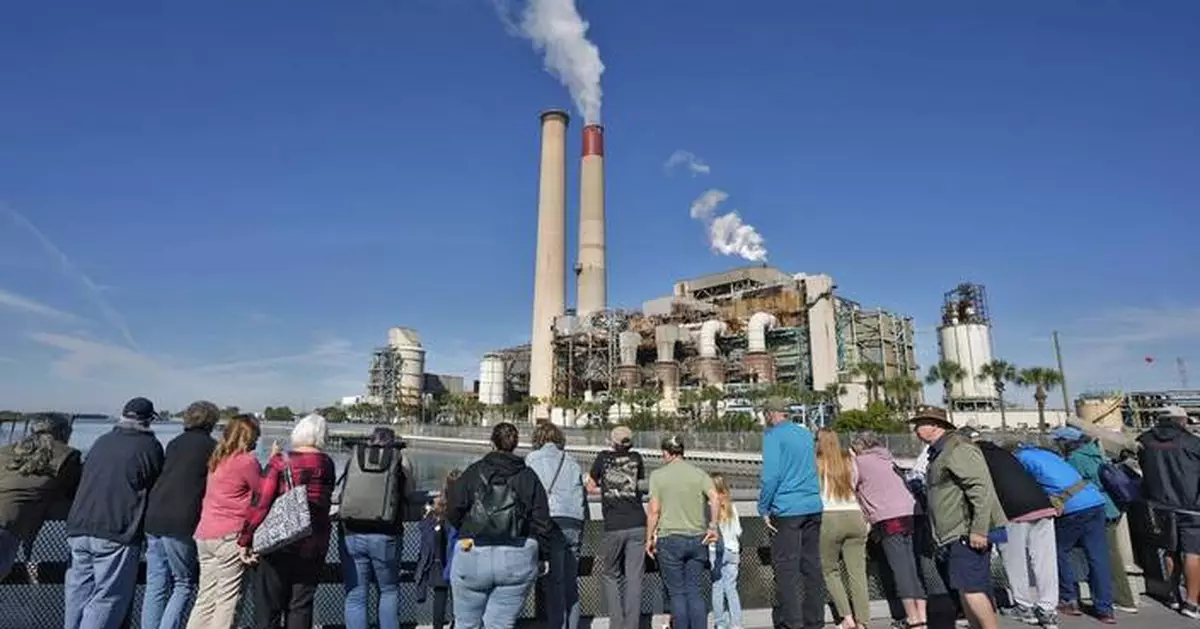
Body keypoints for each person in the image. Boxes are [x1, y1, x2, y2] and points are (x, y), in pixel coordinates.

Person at [63, 397, 165, 629]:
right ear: (149, 420)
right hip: (116, 529)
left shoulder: (102, 441)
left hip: (78, 527)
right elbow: (156, 484)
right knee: (107, 598)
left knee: (77, 592)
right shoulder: (150, 446)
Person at [447, 422, 553, 629]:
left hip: (473, 552)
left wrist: (468, 529)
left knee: (466, 623)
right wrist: (543, 556)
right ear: (515, 444)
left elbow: (454, 509)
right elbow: (542, 521)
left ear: (491, 443)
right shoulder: (528, 476)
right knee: (501, 624)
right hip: (518, 554)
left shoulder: (473, 471)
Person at [908, 407, 1005, 629]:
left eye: (920, 423)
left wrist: (979, 529)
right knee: (965, 591)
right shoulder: (940, 452)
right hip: (951, 533)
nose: (916, 429)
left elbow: (980, 490)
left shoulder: (958, 449)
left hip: (965, 531)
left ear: (935, 425)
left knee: (973, 591)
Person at [240, 413, 337, 629]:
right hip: (314, 542)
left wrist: (245, 539)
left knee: (269, 607)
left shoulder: (281, 462)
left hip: (279, 542)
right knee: (301, 605)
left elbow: (260, 503)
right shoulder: (328, 463)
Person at [1009, 441, 1115, 623]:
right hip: (1095, 501)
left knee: (1058, 550)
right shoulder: (1049, 455)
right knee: (1098, 556)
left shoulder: (1021, 459)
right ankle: (1105, 609)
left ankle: (1068, 598)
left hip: (1072, 508)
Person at [962, 431, 1058, 629]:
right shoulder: (1007, 455)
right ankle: (1048, 609)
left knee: (1015, 560)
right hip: (1042, 505)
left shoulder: (975, 458)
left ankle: (1024, 607)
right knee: (1045, 560)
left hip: (1012, 511)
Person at [141, 401, 219, 629]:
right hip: (181, 520)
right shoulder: (212, 447)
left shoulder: (174, 444)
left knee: (156, 582)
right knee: (183, 583)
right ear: (211, 422)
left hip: (154, 515)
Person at [186, 415, 263, 629]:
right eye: (256, 436)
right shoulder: (247, 461)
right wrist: (275, 461)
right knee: (227, 600)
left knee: (206, 598)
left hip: (205, 533)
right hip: (229, 536)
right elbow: (263, 492)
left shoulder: (218, 458)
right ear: (249, 437)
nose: (257, 441)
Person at [1051, 426, 1138, 614]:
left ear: (1066, 443)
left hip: (1094, 510)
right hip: (1110, 507)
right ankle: (1110, 601)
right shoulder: (1095, 454)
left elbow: (1069, 485)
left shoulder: (1075, 459)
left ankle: (1121, 598)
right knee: (1104, 556)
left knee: (1104, 557)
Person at [757, 397, 824, 629]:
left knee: (786, 570)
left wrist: (763, 507)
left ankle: (793, 623)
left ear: (770, 414)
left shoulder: (772, 436)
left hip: (787, 509)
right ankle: (815, 621)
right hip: (813, 506)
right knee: (812, 567)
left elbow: (771, 476)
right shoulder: (805, 434)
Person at [337, 427, 413, 629]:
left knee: (355, 596)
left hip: (352, 532)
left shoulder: (355, 457)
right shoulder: (400, 460)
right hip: (386, 534)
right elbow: (410, 492)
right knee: (388, 591)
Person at [850, 431, 926, 629]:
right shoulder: (888, 458)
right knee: (913, 565)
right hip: (912, 513)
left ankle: (912, 617)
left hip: (888, 517)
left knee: (899, 567)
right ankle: (922, 615)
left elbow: (848, 486)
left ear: (859, 446)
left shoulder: (859, 462)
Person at [646, 435, 720, 629]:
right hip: (697, 538)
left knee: (677, 593)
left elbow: (654, 511)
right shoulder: (699, 473)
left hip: (669, 539)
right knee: (694, 591)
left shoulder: (658, 476)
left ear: (666, 453)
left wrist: (649, 539)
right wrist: (713, 526)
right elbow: (714, 497)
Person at [0, 413, 82, 580]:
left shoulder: (7, 451)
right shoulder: (67, 455)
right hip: (6, 525)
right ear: (62, 432)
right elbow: (75, 492)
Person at [1137, 404, 1200, 618]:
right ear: (1181, 421)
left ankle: (1174, 596)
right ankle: (1191, 603)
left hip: (1160, 505)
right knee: (1192, 552)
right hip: (1191, 505)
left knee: (1169, 549)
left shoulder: (1146, 441)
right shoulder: (1192, 442)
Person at [586, 426, 647, 629]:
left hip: (613, 524)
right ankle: (632, 626)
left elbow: (590, 485)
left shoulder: (603, 458)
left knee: (610, 574)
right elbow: (639, 485)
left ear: (612, 441)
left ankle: (616, 623)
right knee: (634, 578)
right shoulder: (637, 458)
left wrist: (605, 491)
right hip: (638, 522)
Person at [526, 422, 586, 629]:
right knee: (571, 583)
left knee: (553, 583)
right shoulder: (572, 462)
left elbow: (529, 493)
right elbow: (581, 495)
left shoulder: (532, 460)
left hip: (549, 521)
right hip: (574, 522)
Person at [816, 428, 870, 629]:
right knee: (857, 573)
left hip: (829, 516)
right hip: (854, 514)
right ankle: (863, 621)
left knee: (830, 570)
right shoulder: (849, 460)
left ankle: (846, 617)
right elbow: (857, 484)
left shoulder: (817, 463)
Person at [417, 470, 461, 629]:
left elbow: (424, 529)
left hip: (439, 561)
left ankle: (437, 626)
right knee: (458, 597)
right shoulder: (462, 509)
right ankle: (457, 623)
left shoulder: (437, 510)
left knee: (440, 596)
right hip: (458, 559)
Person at [708, 472, 743, 629]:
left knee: (717, 587)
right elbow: (738, 531)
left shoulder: (710, 508)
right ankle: (736, 624)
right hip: (733, 551)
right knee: (731, 588)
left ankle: (720, 623)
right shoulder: (731, 507)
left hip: (716, 551)